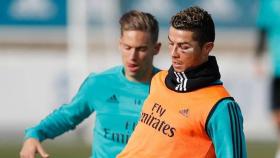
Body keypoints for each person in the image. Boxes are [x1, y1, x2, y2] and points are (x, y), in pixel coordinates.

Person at [19, 10, 161, 158]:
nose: (132, 56)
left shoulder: (170, 88)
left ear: (156, 49)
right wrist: (34, 135)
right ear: (120, 45)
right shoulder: (99, 84)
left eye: (141, 49)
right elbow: (67, 116)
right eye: (128, 47)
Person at [117, 6, 247, 158]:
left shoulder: (220, 106)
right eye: (171, 44)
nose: (173, 53)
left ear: (207, 48)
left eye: (184, 47)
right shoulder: (159, 80)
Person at [255, 0, 280, 157]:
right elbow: (262, 30)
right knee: (276, 113)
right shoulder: (269, 3)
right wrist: (259, 57)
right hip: (277, 65)